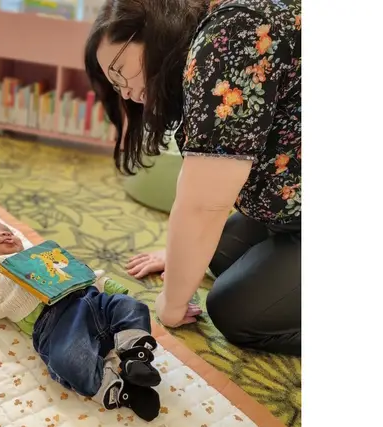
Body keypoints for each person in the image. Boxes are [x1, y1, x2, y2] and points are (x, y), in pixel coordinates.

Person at [84, 0, 301, 356]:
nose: (123, 92)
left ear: (152, 31)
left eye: (120, 70)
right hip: (291, 203)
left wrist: (171, 303)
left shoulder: (230, 35)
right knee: (219, 254)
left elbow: (204, 205)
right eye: (114, 84)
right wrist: (180, 252)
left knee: (236, 311)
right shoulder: (211, 36)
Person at [0, 221, 198, 421]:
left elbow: (82, 271)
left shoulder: (39, 253)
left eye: (7, 230)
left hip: (88, 297)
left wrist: (109, 285)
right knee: (67, 361)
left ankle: (135, 355)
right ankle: (122, 390)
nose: (4, 232)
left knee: (130, 306)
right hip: (54, 323)